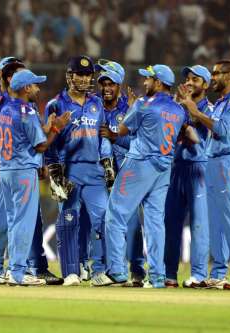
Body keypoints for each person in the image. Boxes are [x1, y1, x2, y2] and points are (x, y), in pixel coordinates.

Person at [0, 57, 63, 285]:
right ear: (10, 78)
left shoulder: (23, 105)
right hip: (4, 169)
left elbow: (32, 137)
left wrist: (38, 162)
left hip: (18, 167)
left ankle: (16, 268)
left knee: (15, 221)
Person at [92, 64, 186, 288]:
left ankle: (116, 271)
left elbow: (123, 130)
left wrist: (132, 109)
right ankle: (157, 276)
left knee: (115, 214)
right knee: (155, 222)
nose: (145, 82)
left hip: (140, 163)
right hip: (164, 167)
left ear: (159, 82)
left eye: (149, 79)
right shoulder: (178, 109)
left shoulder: (144, 104)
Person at [45, 55, 114, 286]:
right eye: (80, 74)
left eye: (88, 75)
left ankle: (101, 271)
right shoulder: (56, 105)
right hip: (69, 171)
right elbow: (49, 142)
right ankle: (71, 272)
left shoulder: (96, 104)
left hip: (94, 172)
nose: (85, 79)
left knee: (104, 220)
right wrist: (54, 172)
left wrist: (107, 162)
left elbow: (103, 136)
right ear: (69, 76)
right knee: (68, 221)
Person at [0, 69, 71, 286]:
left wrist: (47, 126)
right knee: (24, 222)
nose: (38, 88)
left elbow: (24, 133)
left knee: (13, 221)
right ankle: (18, 272)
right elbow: (40, 145)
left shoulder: (6, 109)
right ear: (27, 88)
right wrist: (57, 129)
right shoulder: (26, 111)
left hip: (6, 171)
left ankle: (13, 269)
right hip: (22, 171)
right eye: (35, 85)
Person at [183, 60, 230, 290]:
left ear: (229, 75)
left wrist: (195, 111)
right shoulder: (222, 102)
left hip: (228, 162)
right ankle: (219, 272)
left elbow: (222, 129)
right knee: (215, 222)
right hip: (212, 162)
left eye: (216, 74)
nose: (212, 78)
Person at [97, 59, 146, 287]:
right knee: (104, 222)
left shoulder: (130, 107)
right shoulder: (94, 106)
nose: (107, 88)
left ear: (119, 85)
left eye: (111, 84)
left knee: (133, 224)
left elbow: (138, 141)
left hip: (127, 171)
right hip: (100, 173)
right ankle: (107, 268)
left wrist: (116, 136)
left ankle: (137, 270)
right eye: (103, 84)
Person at [164, 65, 212, 288]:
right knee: (171, 223)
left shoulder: (210, 110)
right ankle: (169, 274)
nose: (190, 82)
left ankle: (199, 274)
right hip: (177, 168)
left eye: (196, 79)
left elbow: (207, 140)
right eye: (188, 79)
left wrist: (190, 125)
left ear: (206, 85)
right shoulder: (177, 107)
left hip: (199, 169)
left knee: (199, 224)